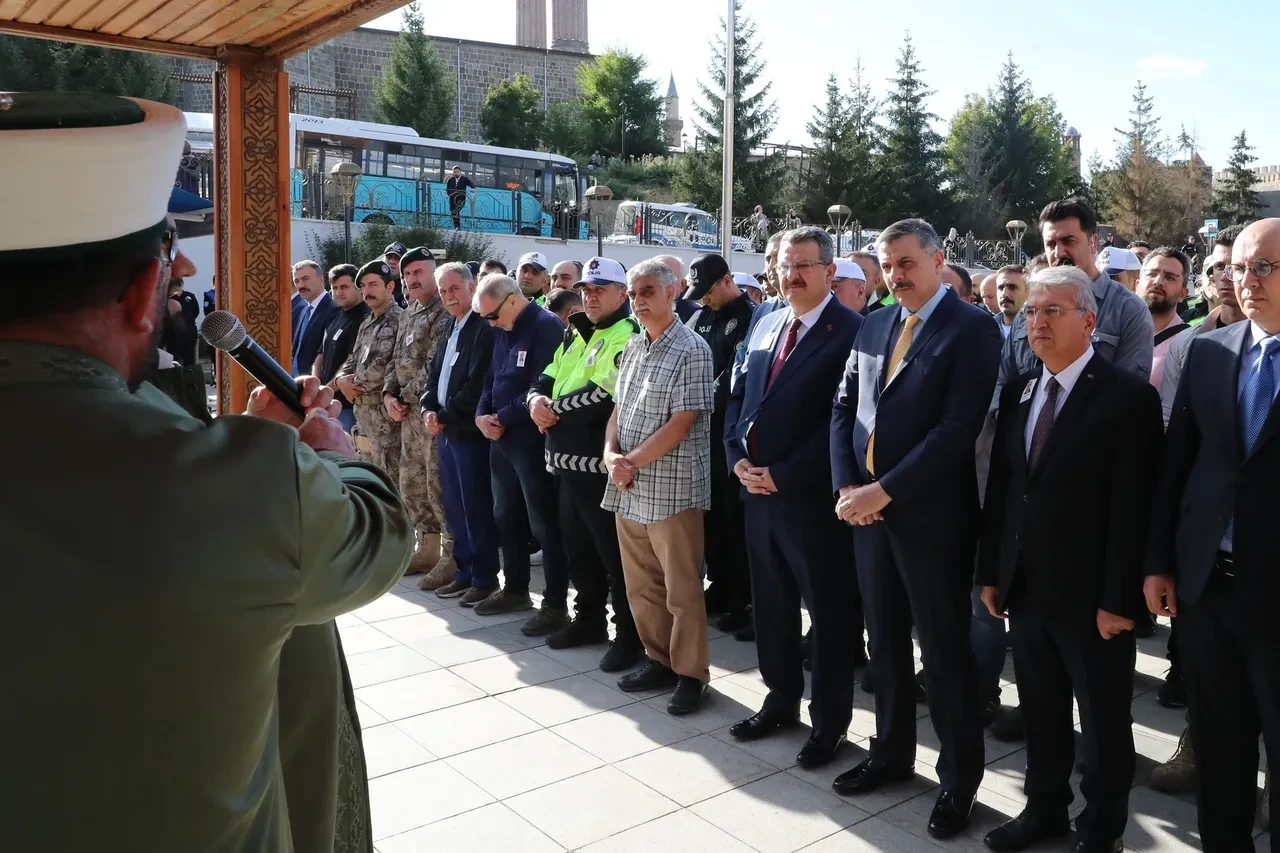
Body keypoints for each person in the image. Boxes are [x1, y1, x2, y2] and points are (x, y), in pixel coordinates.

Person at [2, 90, 413, 852]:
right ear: (137, 296)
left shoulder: (233, 479)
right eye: (166, 254)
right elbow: (380, 535)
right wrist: (319, 450)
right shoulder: (246, 489)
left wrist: (245, 449)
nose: (183, 265)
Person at [977, 265, 1162, 853]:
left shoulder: (1128, 397)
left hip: (1093, 599)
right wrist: (991, 572)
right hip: (1028, 588)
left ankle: (1102, 828)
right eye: (1030, 312)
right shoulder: (1022, 389)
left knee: (1105, 723)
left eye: (1052, 311)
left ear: (1089, 320)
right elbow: (1005, 489)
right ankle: (1045, 809)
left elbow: (1135, 507)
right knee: (1042, 708)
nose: (1037, 323)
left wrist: (1119, 599)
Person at [829, 218, 1000, 839]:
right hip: (867, 515)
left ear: (937, 259)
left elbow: (956, 431)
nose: (896, 275)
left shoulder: (973, 328)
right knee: (885, 644)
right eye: (888, 264)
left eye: (906, 263)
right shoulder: (875, 322)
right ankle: (892, 753)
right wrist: (850, 486)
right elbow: (844, 405)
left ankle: (960, 782)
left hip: (929, 520)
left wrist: (885, 489)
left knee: (944, 653)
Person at [1144, 218, 1280, 853]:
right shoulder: (1209, 350)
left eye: (1265, 268)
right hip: (1208, 591)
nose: (1246, 281)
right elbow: (1177, 468)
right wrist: (1159, 563)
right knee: (1221, 751)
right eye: (1239, 268)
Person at [725, 226, 864, 767]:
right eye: (785, 264)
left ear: (829, 271)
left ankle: (830, 725)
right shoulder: (764, 322)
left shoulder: (854, 330)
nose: (793, 274)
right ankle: (780, 698)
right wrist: (735, 455)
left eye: (805, 264)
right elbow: (738, 397)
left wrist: (787, 472)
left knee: (828, 617)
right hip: (756, 495)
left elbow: (845, 420)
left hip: (811, 502)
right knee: (773, 608)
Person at [602, 258, 715, 715]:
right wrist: (611, 454)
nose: (639, 300)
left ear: (673, 293)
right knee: (640, 585)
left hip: (672, 487)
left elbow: (682, 422)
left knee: (681, 589)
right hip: (628, 484)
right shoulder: (632, 346)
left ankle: (691, 674)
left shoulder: (693, 348)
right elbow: (618, 408)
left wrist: (629, 461)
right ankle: (659, 659)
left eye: (647, 291)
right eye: (633, 292)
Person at [527, 256, 643, 669]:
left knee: (614, 558)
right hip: (563, 465)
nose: (590, 297)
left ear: (621, 294)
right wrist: (535, 401)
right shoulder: (576, 332)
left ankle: (629, 636)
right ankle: (589, 620)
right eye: (586, 291)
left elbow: (604, 396)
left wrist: (551, 409)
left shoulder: (627, 333)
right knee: (579, 552)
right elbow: (545, 375)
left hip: (598, 469)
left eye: (599, 290)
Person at [472, 273, 569, 622]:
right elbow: (491, 377)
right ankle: (514, 589)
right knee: (505, 516)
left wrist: (500, 416)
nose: (491, 323)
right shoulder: (501, 327)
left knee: (543, 523)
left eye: (493, 315)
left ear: (512, 299)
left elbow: (542, 386)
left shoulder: (546, 327)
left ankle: (555, 604)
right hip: (501, 438)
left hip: (530, 440)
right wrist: (483, 414)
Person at [997, 199, 1154, 399]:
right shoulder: (1029, 309)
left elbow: (1129, 394)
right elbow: (1003, 378)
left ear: (1093, 242)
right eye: (1051, 244)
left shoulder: (1128, 310)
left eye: (1068, 241)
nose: (1059, 253)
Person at [419, 263, 501, 603]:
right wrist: (427, 407)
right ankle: (464, 571)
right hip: (446, 431)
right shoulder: (451, 326)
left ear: (472, 287)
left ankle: (483, 578)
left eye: (455, 288)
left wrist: (445, 415)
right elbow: (434, 372)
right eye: (443, 290)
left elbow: (478, 382)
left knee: (475, 507)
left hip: (467, 431)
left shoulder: (484, 328)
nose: (449, 296)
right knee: (454, 505)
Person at [684, 253, 755, 632]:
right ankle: (721, 584)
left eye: (709, 290)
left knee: (733, 520)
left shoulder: (749, 316)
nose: (704, 299)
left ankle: (743, 596)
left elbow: (733, 376)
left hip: (726, 432)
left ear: (727, 280)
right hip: (698, 433)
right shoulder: (701, 315)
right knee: (711, 518)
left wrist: (696, 400)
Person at [382, 247, 455, 586]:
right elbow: (396, 359)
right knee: (412, 483)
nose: (411, 279)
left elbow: (433, 366)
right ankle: (425, 548)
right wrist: (387, 394)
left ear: (433, 273)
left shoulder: (445, 312)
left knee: (438, 485)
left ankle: (451, 555)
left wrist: (403, 396)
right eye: (407, 273)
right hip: (407, 416)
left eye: (419, 272)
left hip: (429, 411)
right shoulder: (410, 311)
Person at [334, 260, 404, 483]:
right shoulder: (366, 322)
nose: (366, 291)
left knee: (389, 482)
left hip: (385, 422)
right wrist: (341, 380)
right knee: (367, 478)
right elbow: (354, 357)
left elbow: (384, 365)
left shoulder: (399, 319)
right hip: (363, 418)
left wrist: (352, 386)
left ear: (390, 287)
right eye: (362, 286)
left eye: (373, 285)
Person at [316, 263, 369, 432]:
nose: (338, 292)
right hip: (326, 401)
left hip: (346, 407)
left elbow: (352, 361)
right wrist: (316, 386)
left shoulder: (365, 318)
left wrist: (326, 392)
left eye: (344, 287)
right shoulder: (336, 316)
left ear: (359, 287)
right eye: (335, 287)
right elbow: (321, 354)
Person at [1137, 247, 1192, 390]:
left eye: (1170, 277)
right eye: (1151, 274)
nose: (1158, 281)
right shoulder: (1116, 332)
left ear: (1183, 294)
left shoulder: (1190, 345)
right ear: (1136, 285)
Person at [291, 260, 338, 376]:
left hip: (315, 384)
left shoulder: (333, 310)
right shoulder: (304, 311)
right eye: (296, 281)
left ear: (321, 279)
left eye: (305, 279)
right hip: (296, 383)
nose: (300, 285)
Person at [994, 265, 1028, 340]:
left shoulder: (1037, 329)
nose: (1004, 294)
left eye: (1012, 287)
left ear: (1028, 291)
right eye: (1000, 288)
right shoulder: (987, 327)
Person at [446, 165, 474, 229]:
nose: (456, 173)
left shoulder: (464, 179)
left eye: (457, 172)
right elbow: (448, 189)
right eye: (454, 172)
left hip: (461, 199)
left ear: (460, 172)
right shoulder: (451, 180)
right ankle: (457, 227)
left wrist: (473, 188)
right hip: (452, 200)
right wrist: (450, 194)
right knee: (453, 212)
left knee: (455, 211)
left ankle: (457, 227)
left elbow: (471, 184)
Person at [383, 242, 407, 307]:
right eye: (389, 257)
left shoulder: (408, 289)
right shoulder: (374, 285)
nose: (392, 262)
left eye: (397, 258)